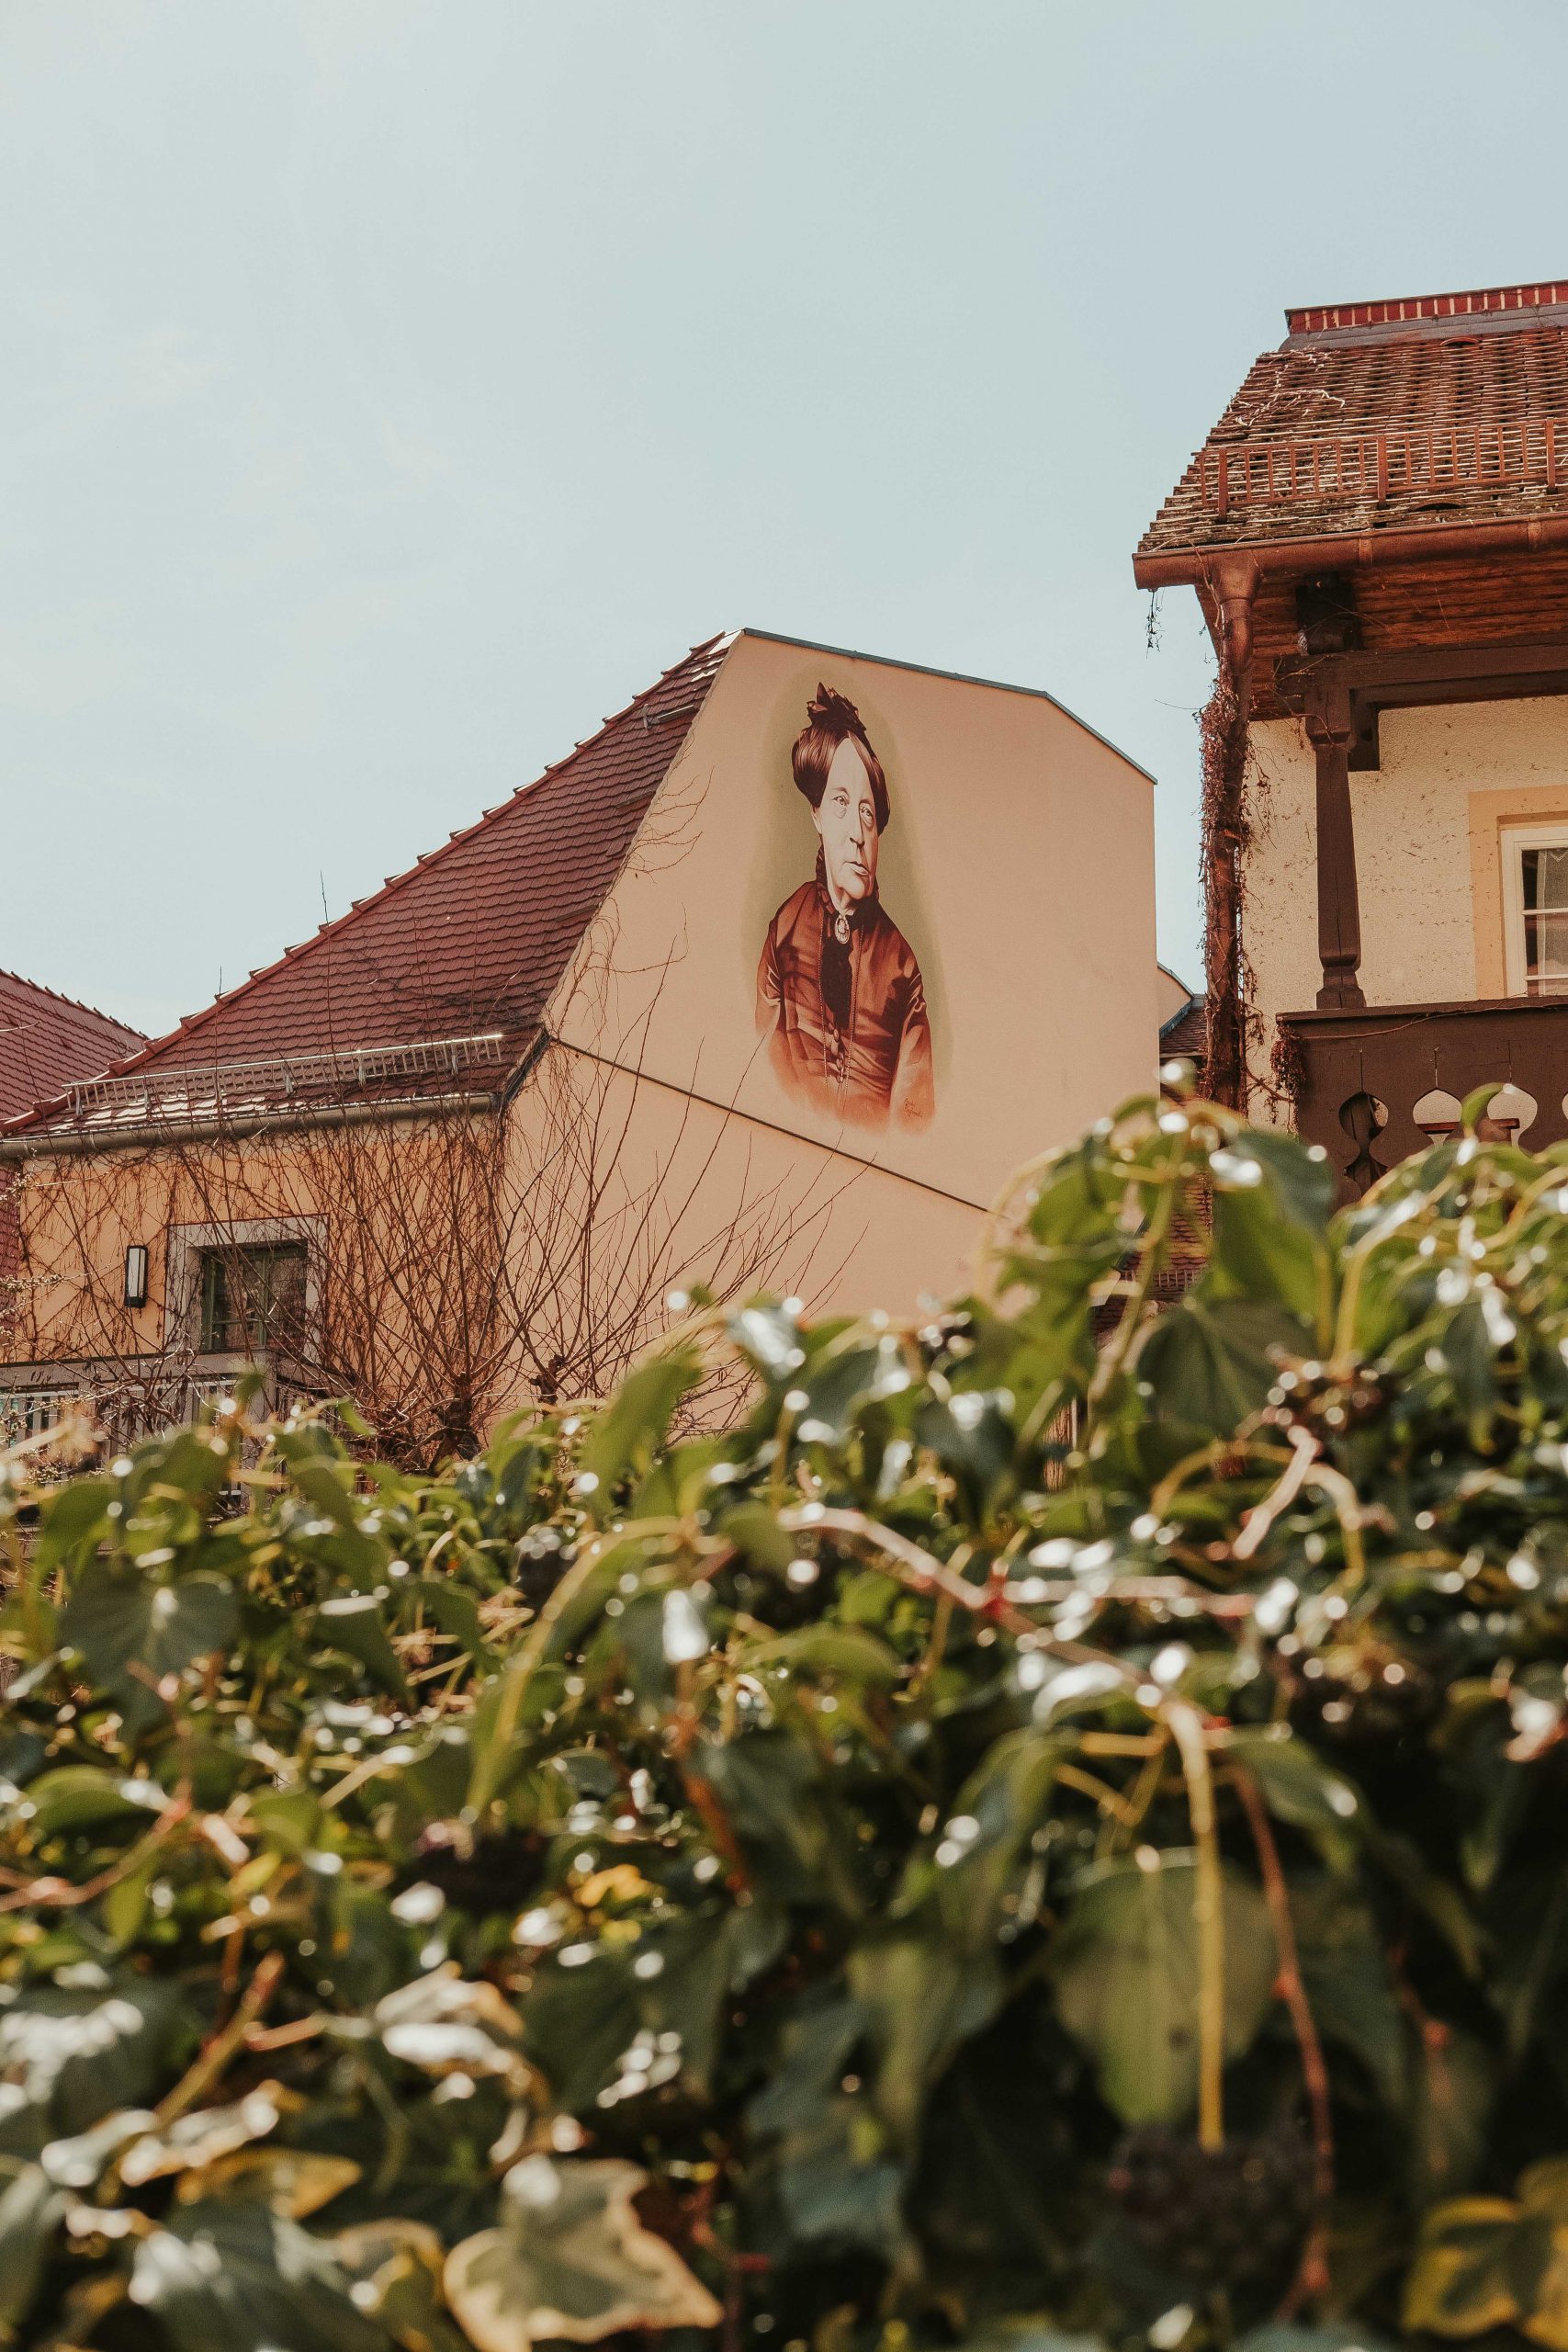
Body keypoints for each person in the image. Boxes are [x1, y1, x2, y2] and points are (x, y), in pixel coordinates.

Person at [756, 684, 934, 1130]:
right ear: (816, 814)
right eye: (840, 803)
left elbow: (914, 1123)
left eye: (868, 813)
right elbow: (756, 1070)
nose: (857, 831)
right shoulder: (785, 929)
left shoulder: (901, 964)